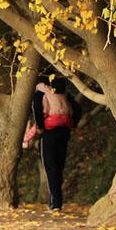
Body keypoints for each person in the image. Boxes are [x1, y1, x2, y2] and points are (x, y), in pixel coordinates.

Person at [23, 72, 81, 212]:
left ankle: (56, 202)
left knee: (50, 166)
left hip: (49, 132)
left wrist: (41, 127)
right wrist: (73, 124)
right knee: (59, 165)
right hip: (64, 131)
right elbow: (78, 109)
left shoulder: (42, 91)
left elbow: (37, 109)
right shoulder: (65, 93)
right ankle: (56, 200)